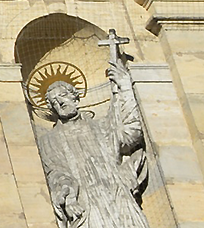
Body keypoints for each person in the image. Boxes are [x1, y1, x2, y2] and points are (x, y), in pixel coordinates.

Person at [35, 38, 148, 228]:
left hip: (118, 196)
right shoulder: (50, 141)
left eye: (62, 96)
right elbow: (57, 173)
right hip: (87, 205)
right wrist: (68, 195)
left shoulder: (102, 127)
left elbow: (131, 133)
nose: (60, 103)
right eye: (54, 102)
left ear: (75, 96)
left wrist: (125, 87)